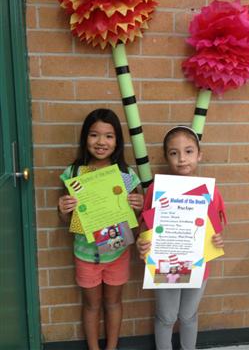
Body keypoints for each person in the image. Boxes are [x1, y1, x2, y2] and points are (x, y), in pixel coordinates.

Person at [58, 108, 144, 350]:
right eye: (94, 135)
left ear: (117, 141)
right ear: (85, 138)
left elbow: (137, 219)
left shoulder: (126, 175)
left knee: (114, 303)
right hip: (85, 253)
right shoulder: (74, 174)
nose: (101, 142)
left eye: (109, 136)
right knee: (91, 305)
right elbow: (67, 222)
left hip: (117, 253)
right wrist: (63, 209)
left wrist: (137, 206)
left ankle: (112, 347)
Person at [136, 126, 227, 350]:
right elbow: (145, 228)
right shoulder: (157, 189)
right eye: (174, 153)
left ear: (199, 154)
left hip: (198, 262)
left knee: (188, 315)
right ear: (166, 156)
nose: (182, 159)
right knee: (167, 316)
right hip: (167, 262)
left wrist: (217, 241)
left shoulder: (210, 191)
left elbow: (215, 229)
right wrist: (142, 243)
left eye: (188, 151)